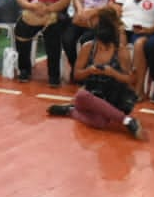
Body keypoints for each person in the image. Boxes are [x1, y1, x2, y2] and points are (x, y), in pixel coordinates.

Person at [46, 7, 144, 138]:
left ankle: (70, 110)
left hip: (113, 96)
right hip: (91, 94)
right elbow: (76, 75)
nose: (103, 47)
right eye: (100, 44)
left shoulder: (121, 51)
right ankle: (126, 121)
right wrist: (89, 71)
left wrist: (113, 73)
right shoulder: (88, 47)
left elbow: (131, 80)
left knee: (100, 122)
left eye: (106, 46)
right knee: (82, 96)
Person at [11, 0, 72, 84]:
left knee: (53, 30)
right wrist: (32, 6)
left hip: (55, 14)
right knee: (21, 27)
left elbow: (64, 1)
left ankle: (53, 75)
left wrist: (47, 9)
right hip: (35, 11)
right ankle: (25, 69)